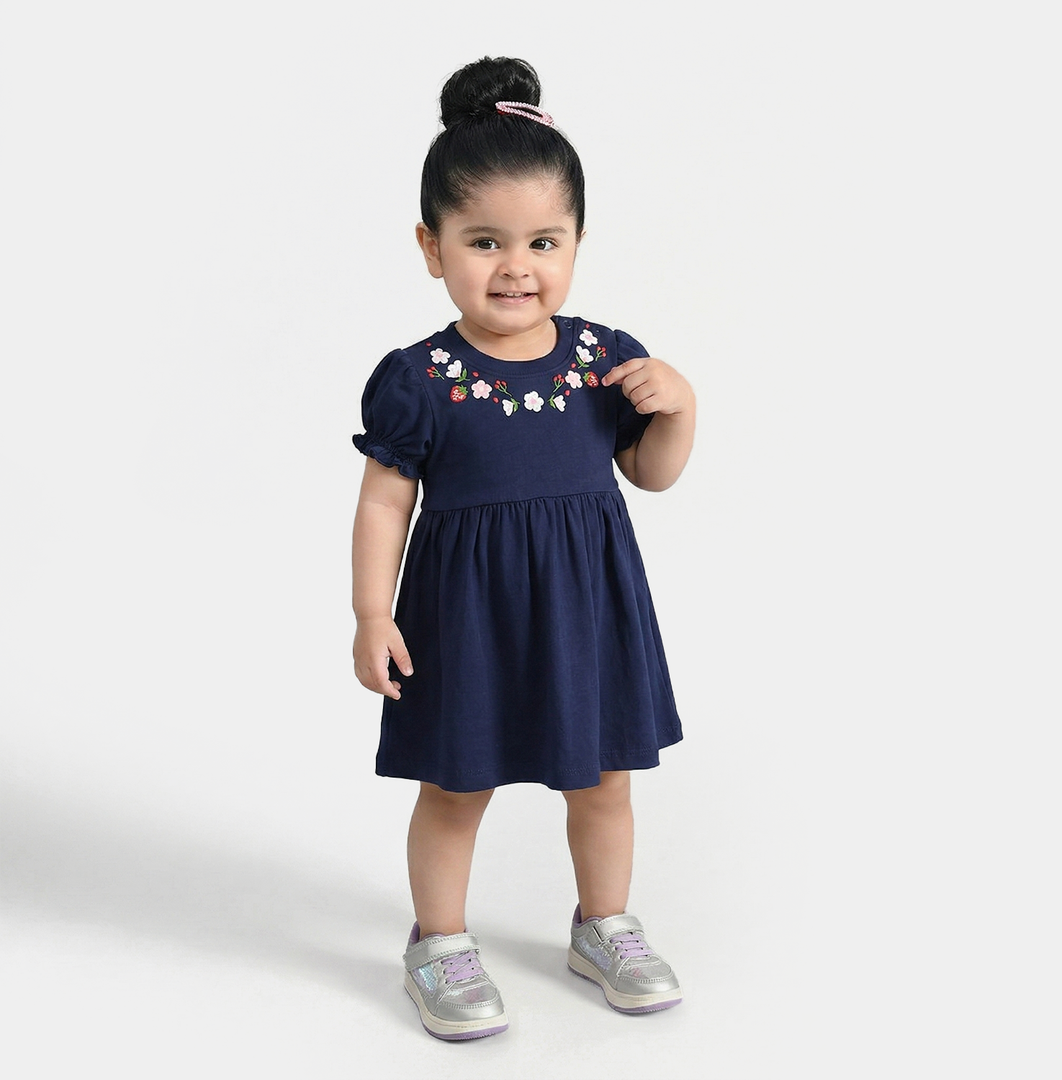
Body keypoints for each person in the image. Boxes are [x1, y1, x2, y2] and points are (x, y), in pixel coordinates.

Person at [350, 56, 696, 1041]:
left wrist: (681, 409)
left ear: (577, 240)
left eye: (543, 242)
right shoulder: (421, 378)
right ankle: (438, 942)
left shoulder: (604, 360)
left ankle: (605, 924)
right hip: (467, 617)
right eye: (484, 241)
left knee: (605, 781)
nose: (515, 267)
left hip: (586, 610)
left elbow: (650, 472)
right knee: (456, 786)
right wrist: (371, 613)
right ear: (433, 246)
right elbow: (384, 503)